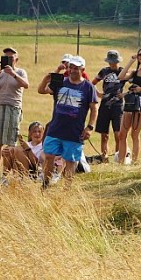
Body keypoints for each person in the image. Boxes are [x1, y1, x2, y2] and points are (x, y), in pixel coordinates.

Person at [36, 55, 98, 187]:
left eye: (76, 68)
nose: (73, 70)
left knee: (71, 160)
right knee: (49, 156)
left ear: (83, 69)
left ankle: (67, 189)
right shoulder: (60, 81)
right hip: (55, 128)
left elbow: (94, 108)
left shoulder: (88, 87)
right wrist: (46, 79)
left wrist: (90, 127)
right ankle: (45, 184)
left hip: (74, 131)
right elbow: (41, 90)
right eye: (71, 67)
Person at [0, 46, 29, 172]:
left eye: (11, 58)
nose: (8, 60)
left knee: (11, 140)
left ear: (16, 60)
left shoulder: (21, 72)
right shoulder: (1, 73)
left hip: (13, 107)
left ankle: (9, 169)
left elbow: (26, 85)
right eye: (6, 58)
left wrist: (13, 74)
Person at [94, 50, 126, 161]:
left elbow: (134, 84)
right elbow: (92, 83)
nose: (112, 64)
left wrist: (125, 94)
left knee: (118, 133)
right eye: (110, 62)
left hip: (118, 105)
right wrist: (98, 93)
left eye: (114, 62)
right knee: (104, 134)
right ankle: (104, 156)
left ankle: (118, 156)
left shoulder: (122, 72)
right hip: (105, 104)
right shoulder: (104, 71)